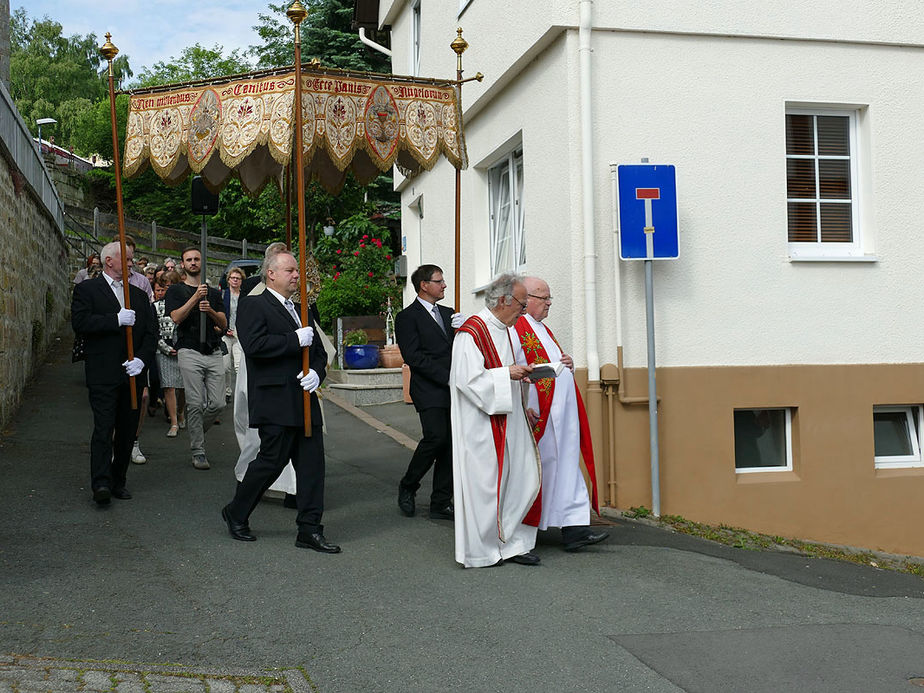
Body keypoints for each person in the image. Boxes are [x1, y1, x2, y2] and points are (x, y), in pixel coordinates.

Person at [221, 251, 339, 553]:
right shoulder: (253, 305)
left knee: (313, 467)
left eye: (297, 271)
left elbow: (320, 351)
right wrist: (293, 341)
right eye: (289, 270)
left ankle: (310, 529)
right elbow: (254, 345)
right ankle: (237, 511)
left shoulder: (303, 310)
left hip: (304, 397)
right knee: (270, 463)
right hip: (275, 399)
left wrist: (317, 371)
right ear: (270, 274)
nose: (296, 275)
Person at [449, 273, 541, 568]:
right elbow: (467, 380)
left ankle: (511, 542)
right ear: (504, 300)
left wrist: (522, 396)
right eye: (522, 305)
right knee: (486, 486)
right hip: (480, 424)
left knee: (517, 478)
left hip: (509, 419)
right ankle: (483, 550)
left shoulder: (508, 329)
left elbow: (508, 372)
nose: (524, 311)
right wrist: (507, 374)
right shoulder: (471, 332)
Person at [511, 277, 609, 552]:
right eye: (544, 298)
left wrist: (567, 363)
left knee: (565, 468)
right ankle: (527, 528)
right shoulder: (516, 328)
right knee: (540, 471)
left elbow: (552, 366)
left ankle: (574, 529)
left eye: (549, 298)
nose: (549, 303)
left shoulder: (542, 329)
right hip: (540, 416)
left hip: (560, 414)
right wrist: (523, 405)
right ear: (526, 298)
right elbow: (514, 370)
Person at [71, 240, 156, 505]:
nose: (131, 264)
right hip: (102, 372)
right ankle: (101, 483)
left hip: (132, 374)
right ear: (110, 261)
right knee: (104, 427)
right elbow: (81, 322)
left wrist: (141, 360)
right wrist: (115, 320)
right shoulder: (88, 290)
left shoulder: (139, 296)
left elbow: (151, 333)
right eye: (127, 260)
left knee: (128, 430)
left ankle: (119, 479)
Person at [394, 264, 463, 520]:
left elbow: (460, 349)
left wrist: (465, 329)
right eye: (439, 281)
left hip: (453, 388)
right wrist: (448, 377)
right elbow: (414, 356)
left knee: (451, 443)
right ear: (424, 285)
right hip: (429, 387)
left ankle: (441, 501)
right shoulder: (407, 317)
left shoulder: (449, 314)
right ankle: (409, 485)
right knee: (436, 438)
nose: (444, 285)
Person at [165, 246, 227, 470]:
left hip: (212, 350)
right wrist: (195, 298)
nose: (193, 262)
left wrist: (209, 309)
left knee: (218, 402)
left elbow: (223, 323)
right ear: (183, 264)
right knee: (194, 402)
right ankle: (198, 451)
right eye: (189, 260)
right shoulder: (175, 291)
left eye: (196, 259)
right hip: (188, 350)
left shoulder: (214, 293)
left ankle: (195, 430)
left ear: (202, 262)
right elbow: (176, 317)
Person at [154, 271, 185, 437]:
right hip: (163, 351)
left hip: (183, 349)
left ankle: (180, 412)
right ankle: (173, 422)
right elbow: (153, 331)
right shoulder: (156, 306)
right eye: (167, 286)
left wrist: (182, 347)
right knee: (169, 386)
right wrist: (165, 348)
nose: (169, 289)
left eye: (173, 286)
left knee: (184, 387)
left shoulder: (185, 304)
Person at [222, 266, 245, 401]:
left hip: (239, 334)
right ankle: (227, 391)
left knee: (239, 365)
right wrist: (225, 329)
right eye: (233, 278)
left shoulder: (245, 296)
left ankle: (241, 393)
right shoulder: (223, 294)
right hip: (225, 333)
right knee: (225, 367)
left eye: (238, 278)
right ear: (228, 280)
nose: (235, 280)